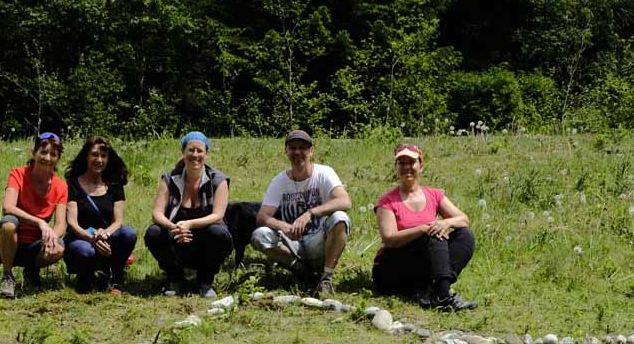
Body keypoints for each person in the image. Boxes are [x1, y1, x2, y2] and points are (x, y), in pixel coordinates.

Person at [373, 143, 477, 310]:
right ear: (396, 167)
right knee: (434, 234)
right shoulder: (387, 201)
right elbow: (389, 239)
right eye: (402, 163)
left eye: (411, 162)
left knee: (465, 235)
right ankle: (443, 295)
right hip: (391, 268)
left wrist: (445, 222)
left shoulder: (434, 195)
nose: (407, 167)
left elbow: (463, 219)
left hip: (423, 263)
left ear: (421, 166)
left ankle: (431, 290)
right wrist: (423, 228)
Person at [251, 130, 352, 296]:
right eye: (292, 148)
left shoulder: (324, 173)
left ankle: (326, 277)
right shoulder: (279, 181)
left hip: (319, 241)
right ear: (286, 151)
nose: (297, 152)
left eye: (302, 148)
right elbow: (262, 217)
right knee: (260, 235)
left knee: (340, 218)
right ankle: (302, 271)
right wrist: (283, 226)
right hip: (293, 243)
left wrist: (310, 213)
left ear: (311, 151)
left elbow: (345, 201)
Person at [145, 131, 232, 298]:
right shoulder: (169, 178)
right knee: (154, 232)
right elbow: (157, 213)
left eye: (200, 151)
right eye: (191, 150)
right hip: (177, 239)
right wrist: (174, 227)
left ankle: (205, 281)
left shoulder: (219, 180)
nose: (195, 155)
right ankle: (175, 279)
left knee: (219, 233)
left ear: (207, 153)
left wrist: (190, 224)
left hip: (206, 243)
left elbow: (218, 215)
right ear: (183, 152)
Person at [0, 132, 68, 298]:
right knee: (8, 223)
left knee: (59, 246)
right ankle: (7, 276)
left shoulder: (61, 186)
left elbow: (61, 224)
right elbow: (8, 207)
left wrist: (53, 235)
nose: (47, 158)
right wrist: (40, 222)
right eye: (43, 152)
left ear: (58, 158)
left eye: (53, 154)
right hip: (7, 241)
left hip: (35, 244)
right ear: (34, 153)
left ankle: (32, 272)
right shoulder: (18, 174)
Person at [63, 135, 136, 293]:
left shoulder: (115, 184)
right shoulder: (73, 184)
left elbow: (118, 221)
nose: (99, 160)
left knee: (129, 233)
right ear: (86, 156)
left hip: (106, 239)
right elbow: (72, 222)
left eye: (103, 156)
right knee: (85, 251)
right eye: (95, 155)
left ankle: (115, 280)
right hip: (81, 239)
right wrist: (92, 238)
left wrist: (106, 234)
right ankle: (86, 278)